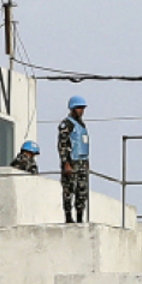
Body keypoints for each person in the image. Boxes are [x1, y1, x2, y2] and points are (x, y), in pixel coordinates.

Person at [58, 96, 90, 224]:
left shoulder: (82, 125)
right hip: (71, 162)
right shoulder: (67, 124)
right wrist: (66, 163)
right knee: (69, 189)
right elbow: (63, 144)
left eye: (82, 108)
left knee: (82, 191)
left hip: (82, 162)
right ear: (72, 108)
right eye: (78, 108)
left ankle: (80, 217)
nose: (81, 110)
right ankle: (68, 216)